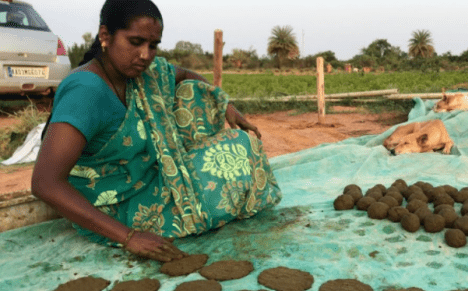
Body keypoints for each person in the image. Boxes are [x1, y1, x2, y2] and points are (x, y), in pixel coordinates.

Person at [32, 0, 282, 262]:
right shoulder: (85, 91)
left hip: (152, 179)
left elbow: (188, 75)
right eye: (135, 42)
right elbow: (44, 183)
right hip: (114, 212)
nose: (145, 55)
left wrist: (227, 106)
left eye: (153, 46)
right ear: (105, 36)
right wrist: (129, 237)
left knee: (241, 143)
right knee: (237, 163)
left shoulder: (145, 74)